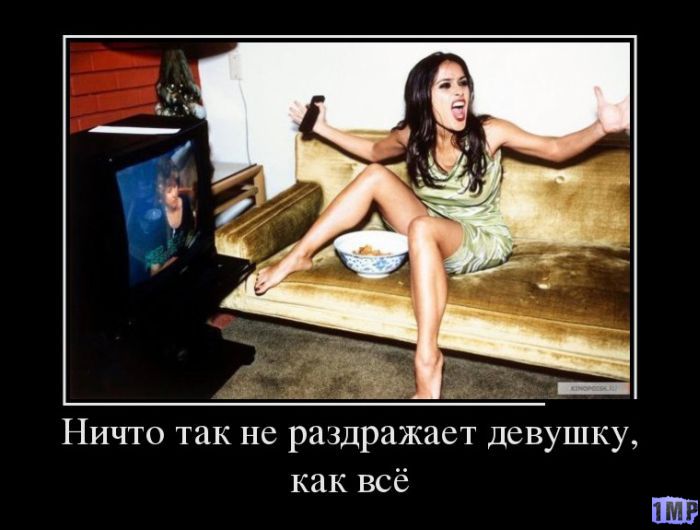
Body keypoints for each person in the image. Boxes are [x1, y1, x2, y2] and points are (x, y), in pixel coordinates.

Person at [254, 51, 630, 399]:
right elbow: (371, 151)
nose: (459, 92)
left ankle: (428, 359)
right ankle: (299, 256)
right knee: (374, 175)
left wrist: (602, 127)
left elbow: (555, 149)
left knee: (421, 227)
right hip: (430, 227)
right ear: (424, 96)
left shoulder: (489, 132)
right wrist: (320, 127)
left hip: (479, 237)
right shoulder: (412, 134)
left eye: (463, 83)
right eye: (446, 85)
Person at [145, 157, 195, 275]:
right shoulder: (156, 220)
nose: (174, 193)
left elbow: (192, 237)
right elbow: (154, 273)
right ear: (159, 191)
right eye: (169, 190)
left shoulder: (185, 201)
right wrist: (176, 260)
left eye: (175, 186)